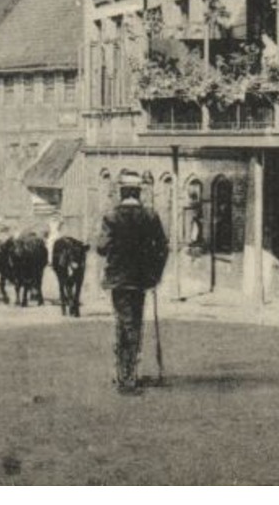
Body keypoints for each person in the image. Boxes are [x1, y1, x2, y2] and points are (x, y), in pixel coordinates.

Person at [96, 169, 168, 395]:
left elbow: (101, 248)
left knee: (122, 323)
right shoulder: (150, 216)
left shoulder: (111, 216)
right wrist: (155, 274)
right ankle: (130, 373)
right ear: (138, 193)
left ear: (122, 192)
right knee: (135, 323)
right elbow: (162, 249)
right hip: (141, 280)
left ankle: (125, 376)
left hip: (119, 280)